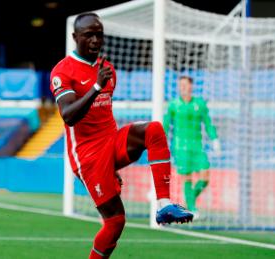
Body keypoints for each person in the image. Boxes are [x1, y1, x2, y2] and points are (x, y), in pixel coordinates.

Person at [49, 13, 193, 259]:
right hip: (89, 158)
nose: (95, 40)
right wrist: (95, 87)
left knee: (154, 130)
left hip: (110, 142)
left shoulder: (108, 70)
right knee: (115, 222)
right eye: (88, 35)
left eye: (99, 34)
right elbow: (69, 116)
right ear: (75, 38)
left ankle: (163, 204)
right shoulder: (63, 71)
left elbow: (105, 114)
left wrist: (113, 162)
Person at [163, 76, 221, 215]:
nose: (182, 87)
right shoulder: (173, 105)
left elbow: (208, 123)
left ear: (191, 86)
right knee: (187, 178)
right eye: (180, 85)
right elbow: (166, 125)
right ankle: (192, 209)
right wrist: (161, 142)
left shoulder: (200, 104)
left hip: (197, 147)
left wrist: (215, 139)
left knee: (205, 177)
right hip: (180, 148)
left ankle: (189, 201)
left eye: (184, 84)